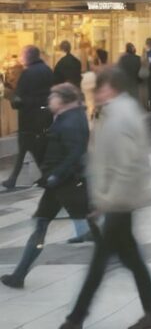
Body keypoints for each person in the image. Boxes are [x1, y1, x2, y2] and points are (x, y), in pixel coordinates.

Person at [62, 67, 151, 329]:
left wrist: (105, 200)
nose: (95, 93)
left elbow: (124, 166)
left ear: (112, 87)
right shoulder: (120, 111)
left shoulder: (118, 117)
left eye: (99, 87)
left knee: (100, 263)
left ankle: (75, 319)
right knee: (130, 258)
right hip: (120, 198)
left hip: (120, 200)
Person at [1, 84, 97, 288]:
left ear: (63, 99)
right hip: (60, 184)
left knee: (92, 221)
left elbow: (76, 153)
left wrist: (56, 175)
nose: (49, 100)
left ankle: (121, 253)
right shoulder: (69, 116)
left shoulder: (71, 121)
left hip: (67, 183)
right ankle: (19, 275)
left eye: (53, 97)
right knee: (42, 223)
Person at [3, 46, 54, 191]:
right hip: (45, 116)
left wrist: (9, 95)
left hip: (28, 117)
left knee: (27, 147)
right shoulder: (48, 70)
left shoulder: (27, 74)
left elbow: (19, 99)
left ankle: (45, 176)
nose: (20, 57)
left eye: (22, 55)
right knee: (36, 148)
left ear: (28, 57)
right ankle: (14, 179)